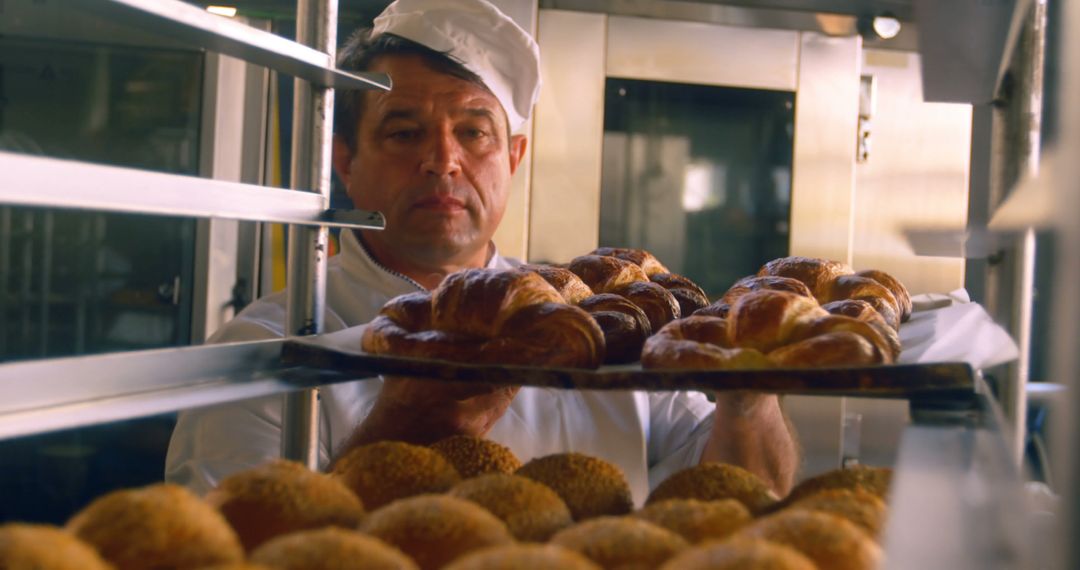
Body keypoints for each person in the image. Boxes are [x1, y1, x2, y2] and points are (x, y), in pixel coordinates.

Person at [166, 0, 798, 502]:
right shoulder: (265, 349)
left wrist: (749, 394)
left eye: (474, 132)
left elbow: (745, 497)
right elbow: (234, 548)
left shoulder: (600, 330)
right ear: (345, 162)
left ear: (513, 158)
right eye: (405, 131)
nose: (443, 161)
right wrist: (408, 424)